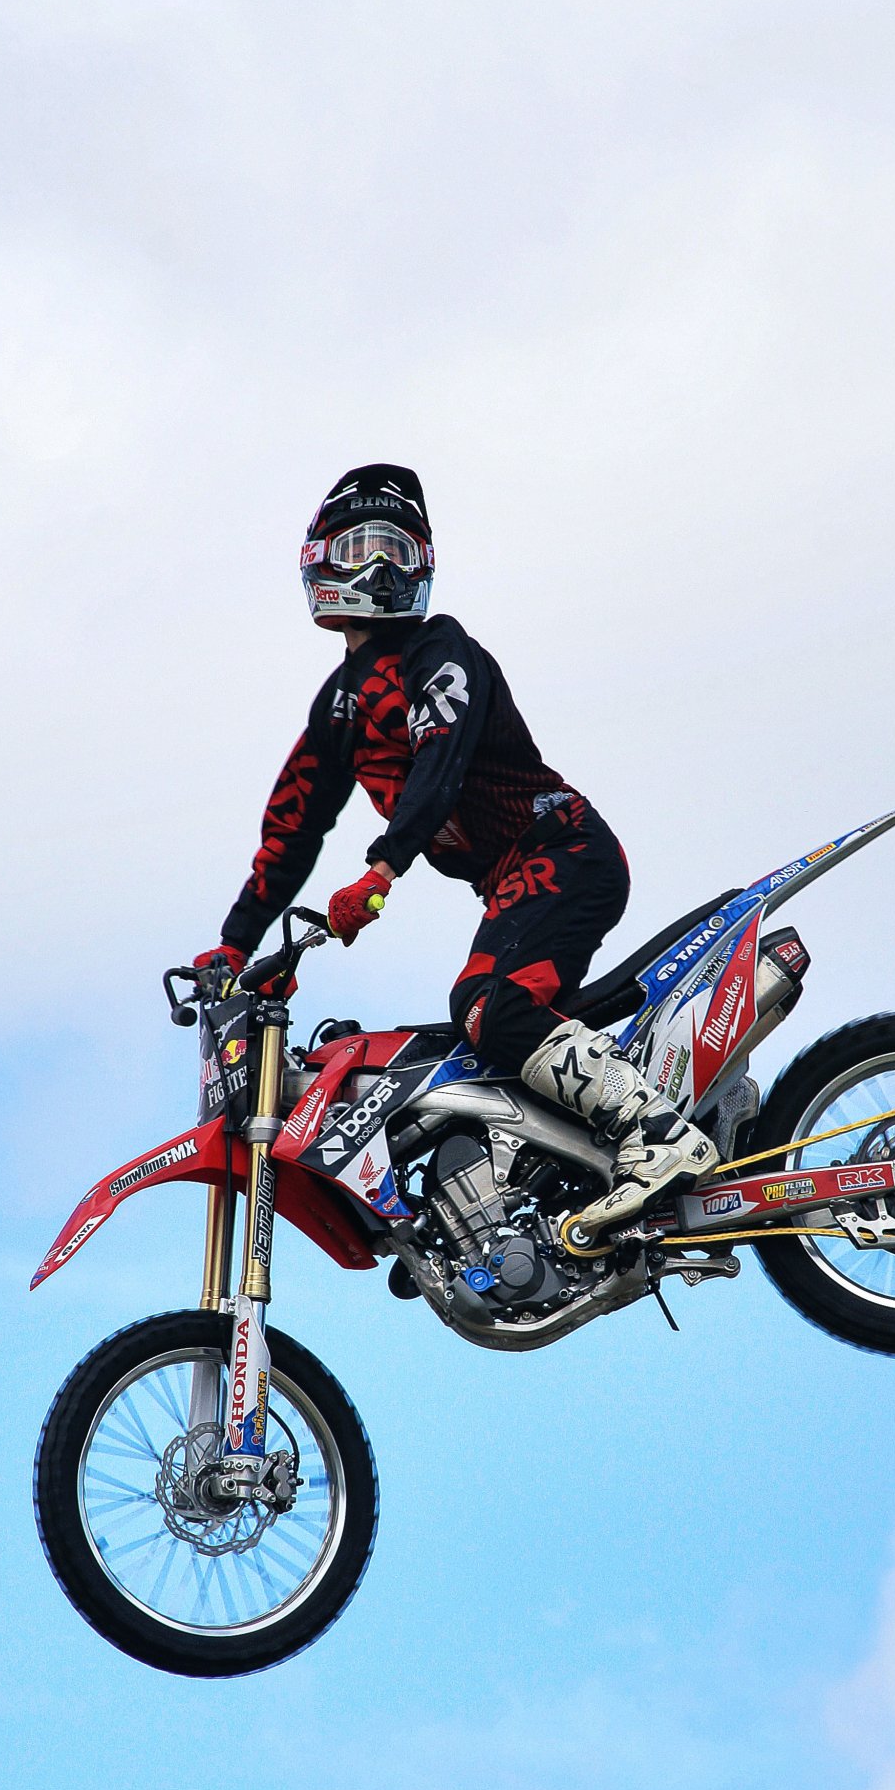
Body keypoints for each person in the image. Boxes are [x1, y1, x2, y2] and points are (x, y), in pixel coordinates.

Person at [198, 463, 719, 1237]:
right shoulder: (338, 707)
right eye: (363, 548)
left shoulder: (440, 651)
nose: (381, 568)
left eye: (398, 550)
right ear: (320, 563)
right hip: (515, 877)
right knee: (485, 1039)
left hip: (561, 848)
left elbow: (437, 764)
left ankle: (660, 1134)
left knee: (489, 1006)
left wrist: (381, 869)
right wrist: (233, 946)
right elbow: (290, 830)